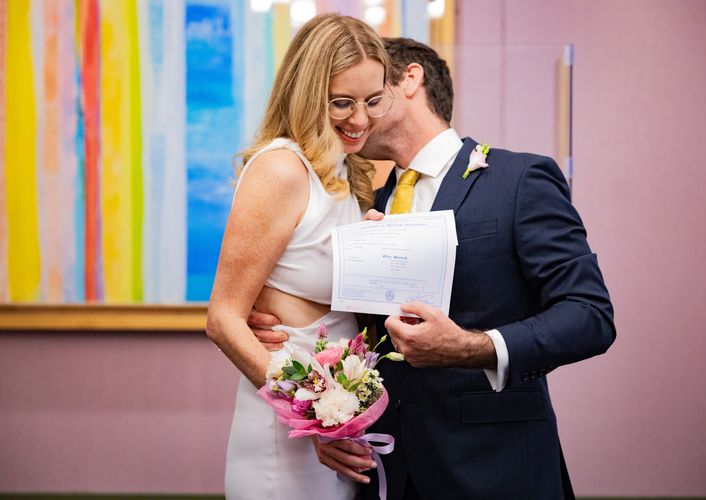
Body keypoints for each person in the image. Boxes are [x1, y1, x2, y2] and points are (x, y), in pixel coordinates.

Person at [253, 37, 616, 499]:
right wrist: (277, 323)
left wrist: (471, 347)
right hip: (386, 475)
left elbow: (590, 315)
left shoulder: (519, 179)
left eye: (367, 94)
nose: (345, 116)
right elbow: (355, 334)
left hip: (496, 472)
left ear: (409, 79)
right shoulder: (366, 207)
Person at [205, 14, 394, 500]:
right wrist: (316, 424)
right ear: (308, 95)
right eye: (341, 103)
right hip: (288, 432)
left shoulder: (342, 173)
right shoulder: (282, 169)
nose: (360, 119)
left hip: (333, 426)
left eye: (373, 100)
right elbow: (223, 319)